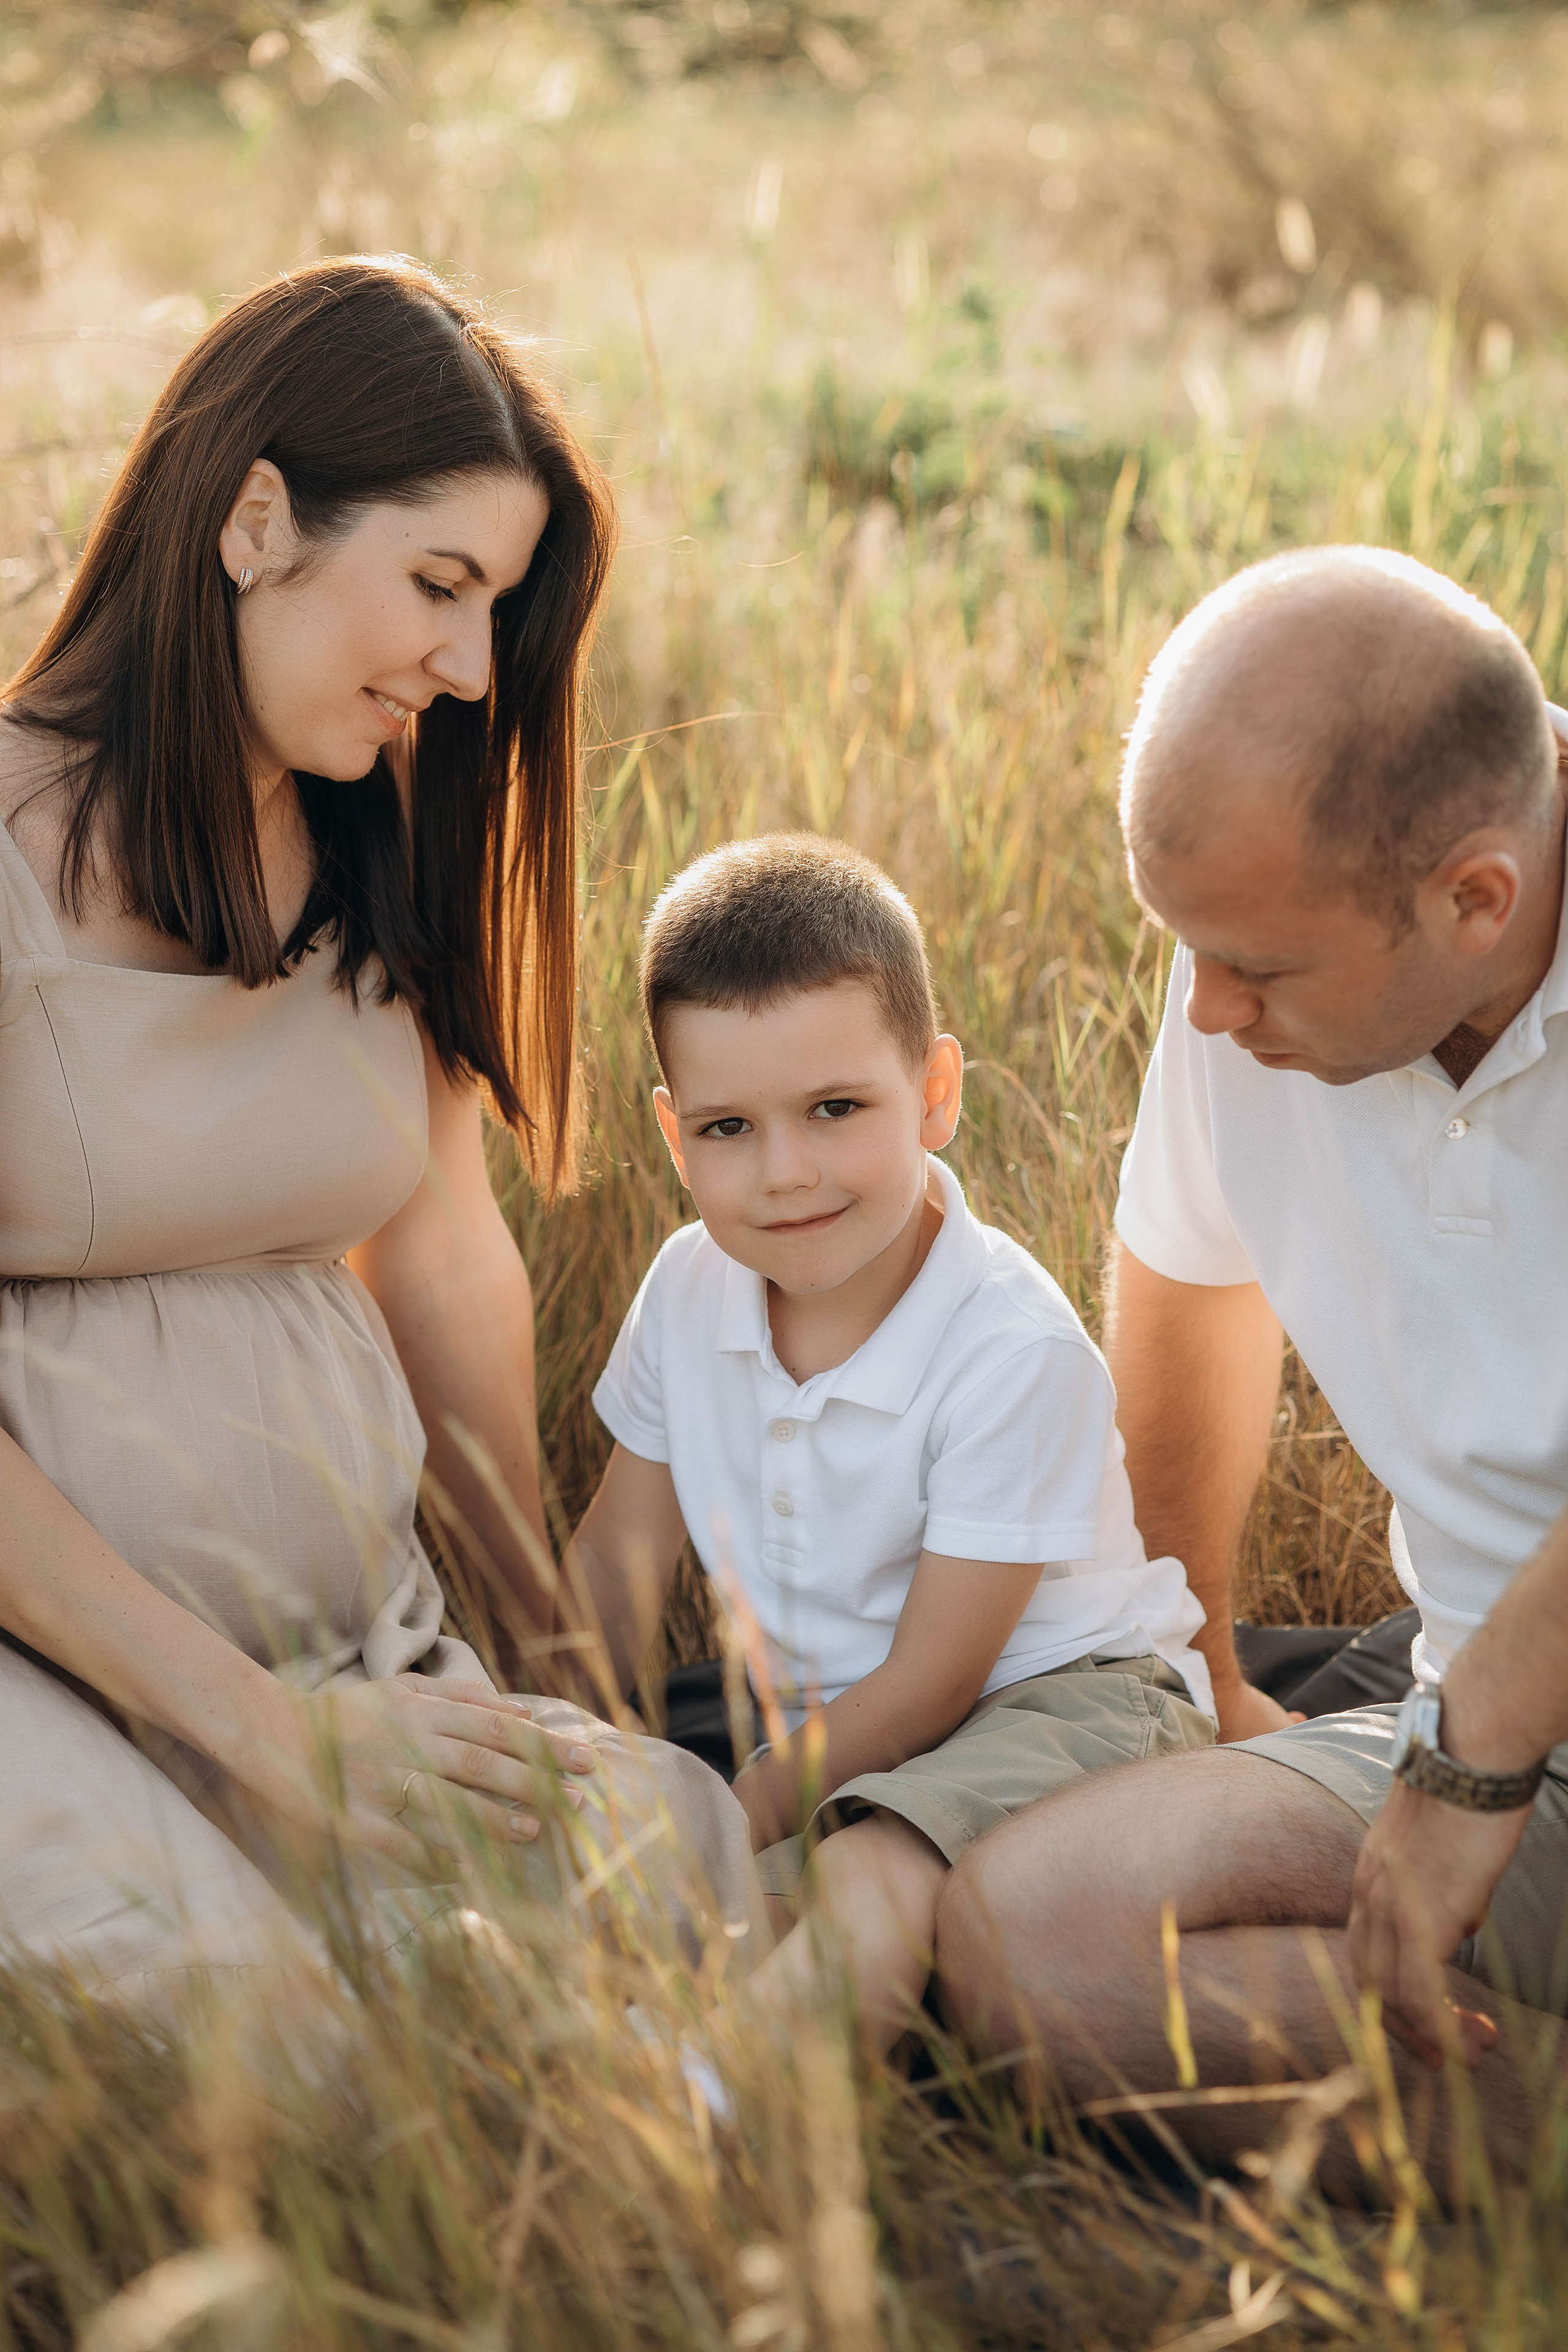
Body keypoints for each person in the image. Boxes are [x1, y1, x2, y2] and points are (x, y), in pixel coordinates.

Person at [0, 255, 760, 2007]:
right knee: (268, 2042)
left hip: (347, 1657)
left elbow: (439, 1265)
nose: (473, 664)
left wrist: (549, 1678)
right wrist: (259, 1735)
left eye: (493, 605)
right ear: (257, 518)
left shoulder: (371, 844)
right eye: (440, 583)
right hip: (54, 1666)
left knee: (672, 1860)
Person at [937, 546, 1568, 2194]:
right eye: (1192, 952)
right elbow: (1191, 1281)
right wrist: (1198, 1662)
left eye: (1260, 970)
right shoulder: (1259, 958)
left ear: (1476, 897)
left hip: (1491, 1741)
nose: (1208, 1010)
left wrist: (1476, 1748)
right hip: (1485, 1749)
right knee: (1026, 1945)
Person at [567, 833, 1215, 2050]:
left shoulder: (1006, 1346)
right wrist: (561, 1761)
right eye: (726, 1130)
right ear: (671, 1135)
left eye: (834, 1109)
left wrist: (719, 1813)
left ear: (932, 1092)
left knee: (872, 1875)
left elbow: (930, 1684)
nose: (785, 1174)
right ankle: (615, 2109)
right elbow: (615, 1558)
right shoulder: (687, 1289)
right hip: (840, 1750)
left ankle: (737, 2150)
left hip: (1063, 1708)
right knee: (663, 1926)